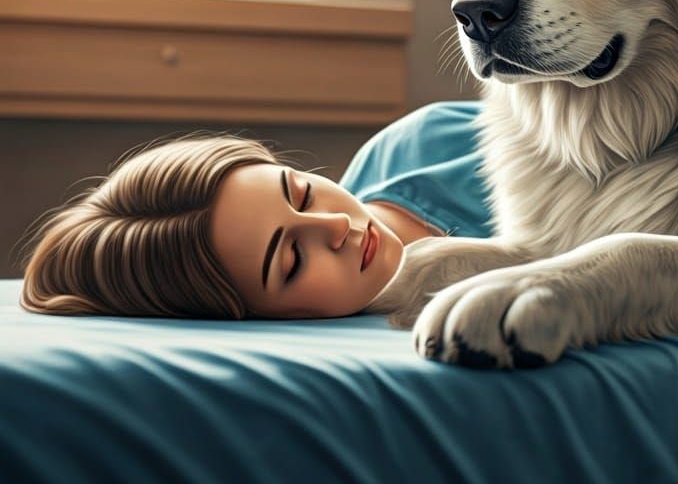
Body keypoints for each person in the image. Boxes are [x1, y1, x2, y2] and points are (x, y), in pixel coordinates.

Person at [18, 101, 493, 321]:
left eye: (302, 192)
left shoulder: (426, 142)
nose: (335, 227)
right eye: (292, 262)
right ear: (252, 315)